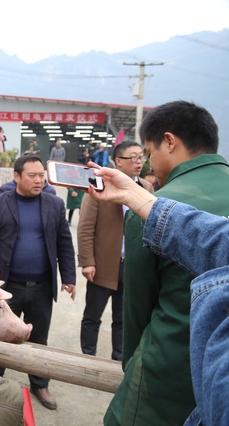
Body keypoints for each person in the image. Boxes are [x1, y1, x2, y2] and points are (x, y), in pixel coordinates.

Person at [102, 100, 229, 426]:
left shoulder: (155, 207)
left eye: (149, 151)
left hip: (167, 373)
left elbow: (137, 308)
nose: (147, 164)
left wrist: (133, 367)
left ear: (170, 141)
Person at [0, 155, 76, 411]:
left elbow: (64, 242)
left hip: (42, 286)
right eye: (32, 175)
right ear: (17, 176)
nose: (39, 180)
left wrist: (69, 277)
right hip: (6, 287)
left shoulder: (54, 204)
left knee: (39, 337)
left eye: (41, 175)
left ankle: (39, 383)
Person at [77, 141, 153, 361]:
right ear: (118, 162)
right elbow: (85, 227)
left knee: (123, 317)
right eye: (134, 157)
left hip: (132, 266)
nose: (139, 162)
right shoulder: (99, 185)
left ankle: (119, 358)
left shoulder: (146, 188)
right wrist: (87, 261)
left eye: (142, 157)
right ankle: (87, 357)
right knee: (93, 315)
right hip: (103, 264)